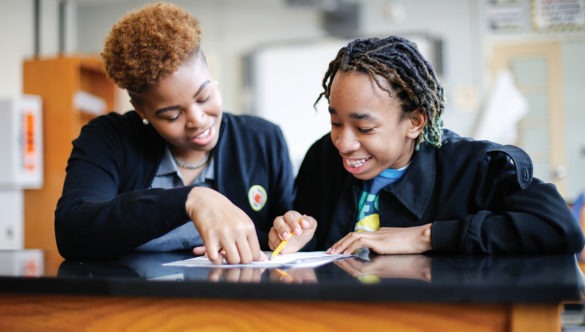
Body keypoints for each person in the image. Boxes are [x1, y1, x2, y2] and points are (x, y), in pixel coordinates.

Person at [268, 36, 585, 256]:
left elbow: (559, 227)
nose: (343, 143)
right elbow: (314, 258)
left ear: (416, 122)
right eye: (336, 123)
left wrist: (427, 235)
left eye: (364, 128)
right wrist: (296, 241)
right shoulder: (323, 158)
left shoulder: (474, 166)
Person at [55, 2, 294, 264]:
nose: (197, 120)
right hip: (134, 300)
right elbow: (73, 231)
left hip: (236, 300)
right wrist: (190, 199)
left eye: (204, 96)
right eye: (172, 114)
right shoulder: (108, 140)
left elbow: (286, 233)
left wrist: (292, 232)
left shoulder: (262, 139)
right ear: (141, 110)